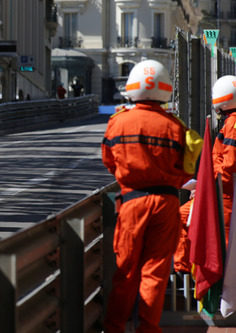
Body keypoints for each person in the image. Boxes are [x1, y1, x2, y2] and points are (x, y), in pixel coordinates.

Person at [101, 59, 202, 332]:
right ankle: (148, 328)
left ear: (132, 88)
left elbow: (109, 161)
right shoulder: (175, 126)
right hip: (166, 203)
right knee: (155, 272)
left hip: (133, 202)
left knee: (125, 270)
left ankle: (114, 327)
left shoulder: (118, 121)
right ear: (166, 90)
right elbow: (185, 170)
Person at [211, 74, 236, 246]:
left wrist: (212, 181)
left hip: (228, 194)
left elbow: (230, 165)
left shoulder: (232, 124)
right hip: (228, 190)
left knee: (227, 244)